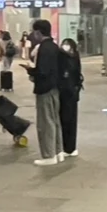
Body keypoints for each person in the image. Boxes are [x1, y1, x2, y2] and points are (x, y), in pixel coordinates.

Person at [28, 19, 64, 166]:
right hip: (55, 88)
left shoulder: (43, 48)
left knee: (45, 122)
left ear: (38, 32)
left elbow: (42, 71)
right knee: (55, 120)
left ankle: (49, 155)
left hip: (44, 89)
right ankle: (58, 151)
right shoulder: (54, 46)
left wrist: (31, 71)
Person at [59, 36, 84, 157]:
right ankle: (67, 146)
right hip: (68, 93)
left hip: (70, 93)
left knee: (69, 120)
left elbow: (75, 74)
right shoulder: (65, 58)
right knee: (65, 120)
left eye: (67, 45)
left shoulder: (72, 59)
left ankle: (70, 148)